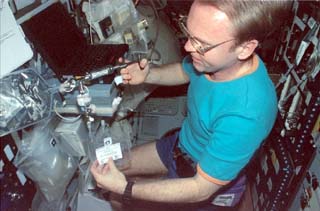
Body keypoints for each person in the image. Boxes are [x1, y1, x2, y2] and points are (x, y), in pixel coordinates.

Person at [90, 0, 290, 210]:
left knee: (118, 198)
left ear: (245, 48)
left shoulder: (248, 113)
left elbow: (200, 188)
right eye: (188, 30)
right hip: (181, 144)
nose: (187, 46)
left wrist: (126, 188)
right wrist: (149, 74)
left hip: (203, 185)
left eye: (201, 44)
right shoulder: (214, 61)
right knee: (114, 164)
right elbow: (183, 71)